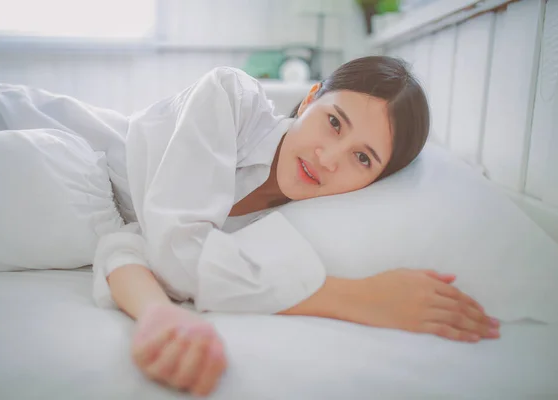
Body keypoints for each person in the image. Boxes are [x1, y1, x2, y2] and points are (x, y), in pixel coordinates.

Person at [89, 56, 501, 397]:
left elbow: (131, 246)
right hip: (63, 146)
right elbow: (176, 255)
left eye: (363, 159)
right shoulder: (231, 99)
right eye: (335, 122)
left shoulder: (298, 222)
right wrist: (356, 298)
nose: (329, 158)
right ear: (307, 101)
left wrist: (156, 312)